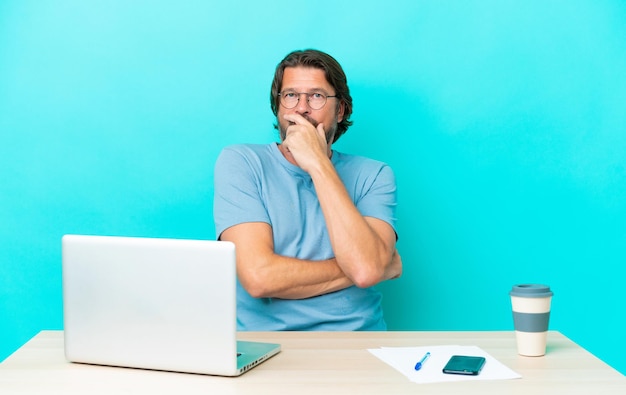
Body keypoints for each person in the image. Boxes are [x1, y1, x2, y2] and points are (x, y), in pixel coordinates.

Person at [213, 49, 402, 331]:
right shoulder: (242, 162)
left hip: (357, 342)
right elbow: (259, 277)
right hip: (268, 344)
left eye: (316, 96)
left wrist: (316, 163)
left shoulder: (374, 175)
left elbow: (365, 270)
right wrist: (375, 265)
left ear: (340, 110)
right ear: (278, 106)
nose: (301, 108)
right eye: (290, 95)